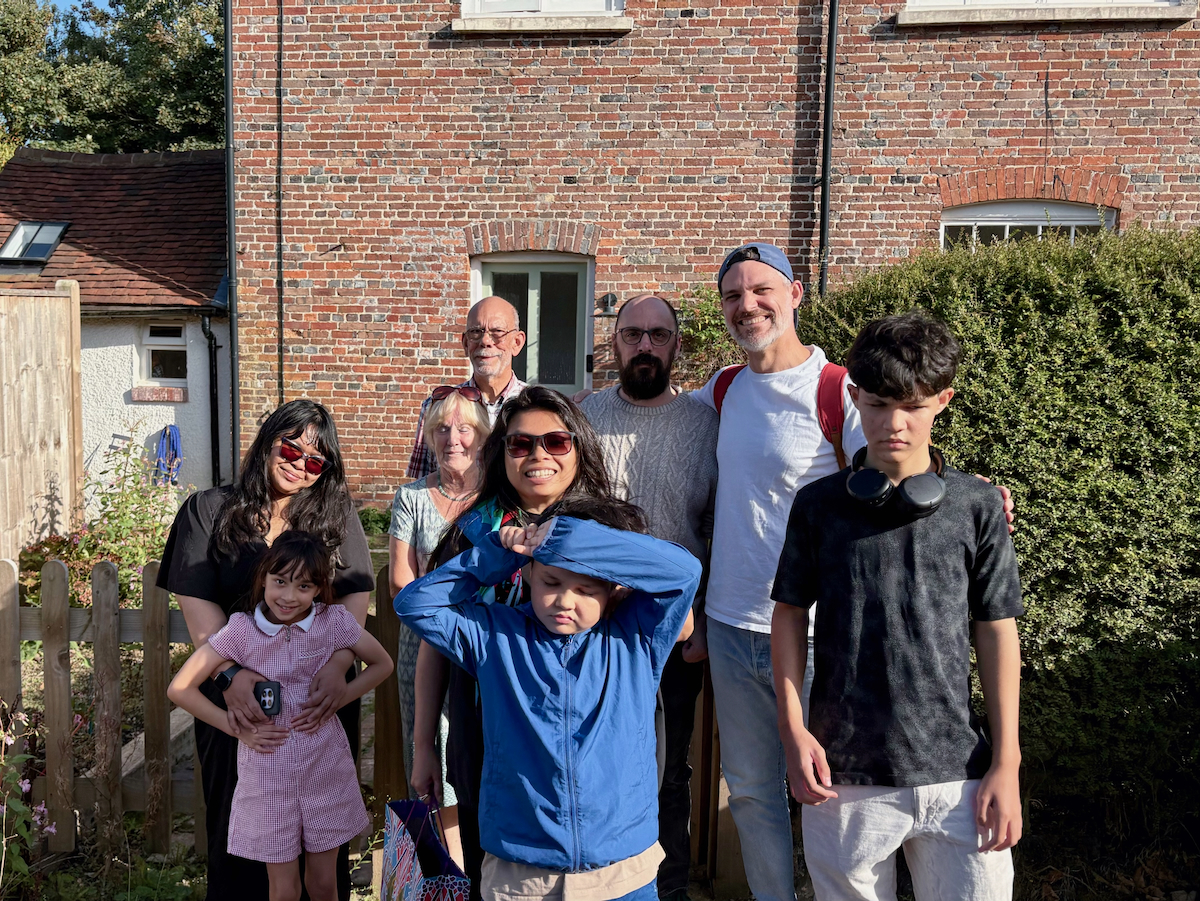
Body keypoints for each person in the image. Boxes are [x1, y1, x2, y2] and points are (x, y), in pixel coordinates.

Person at [694, 242, 1014, 901]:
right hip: (733, 622)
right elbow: (658, 416)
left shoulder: (837, 386)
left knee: (828, 791)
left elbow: (901, 466)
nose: (747, 304)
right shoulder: (722, 389)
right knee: (752, 791)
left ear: (795, 294)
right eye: (733, 294)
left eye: (762, 289)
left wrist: (972, 494)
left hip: (824, 634)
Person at [771, 312, 1023, 900]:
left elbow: (997, 629)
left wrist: (1007, 763)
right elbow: (788, 614)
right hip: (843, 775)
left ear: (943, 401)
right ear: (854, 397)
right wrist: (792, 729)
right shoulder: (817, 506)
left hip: (960, 773)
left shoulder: (977, 505)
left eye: (913, 406)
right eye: (879, 404)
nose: (894, 424)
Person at [395, 501, 703, 901]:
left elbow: (684, 571)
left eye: (585, 589)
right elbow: (415, 604)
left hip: (623, 874)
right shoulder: (493, 635)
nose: (564, 601)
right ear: (528, 574)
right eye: (551, 582)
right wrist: (498, 553)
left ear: (613, 590)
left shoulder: (637, 637)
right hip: (520, 877)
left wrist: (568, 540)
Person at [409, 386, 625, 898]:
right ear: (500, 453)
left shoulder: (608, 529)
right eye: (520, 443)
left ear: (579, 447)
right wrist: (423, 748)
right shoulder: (472, 532)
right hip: (485, 733)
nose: (537, 455)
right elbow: (433, 640)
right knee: (489, 869)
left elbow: (673, 625)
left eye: (556, 441)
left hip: (586, 735)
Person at [158, 399, 376, 901]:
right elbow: (201, 614)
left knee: (321, 854)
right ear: (267, 442)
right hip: (238, 704)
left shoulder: (335, 514)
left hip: (318, 704)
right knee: (243, 843)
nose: (300, 465)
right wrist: (231, 677)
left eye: (315, 460)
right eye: (291, 449)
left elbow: (353, 599)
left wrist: (340, 665)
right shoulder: (208, 510)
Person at [579, 294, 718, 901]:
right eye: (632, 334)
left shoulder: (704, 424)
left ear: (676, 345)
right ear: (613, 343)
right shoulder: (584, 419)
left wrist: (704, 618)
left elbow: (718, 526)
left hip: (673, 631)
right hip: (594, 627)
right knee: (593, 761)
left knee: (669, 772)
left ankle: (670, 889)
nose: (645, 346)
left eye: (658, 335)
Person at [168, 532, 394, 901]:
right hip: (267, 778)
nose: (289, 596)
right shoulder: (241, 630)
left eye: (303, 586)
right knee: (283, 889)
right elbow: (180, 688)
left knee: (323, 884)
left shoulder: (334, 622)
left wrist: (340, 698)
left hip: (326, 770)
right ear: (264, 579)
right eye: (280, 581)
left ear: (319, 589)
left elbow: (383, 664)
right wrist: (234, 728)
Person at [388, 385, 491, 866]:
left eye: (465, 428)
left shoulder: (497, 497)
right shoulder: (411, 496)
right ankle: (452, 869)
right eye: (443, 429)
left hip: (480, 642)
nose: (454, 438)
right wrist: (441, 617)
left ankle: (479, 860)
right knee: (429, 752)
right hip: (423, 640)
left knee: (477, 748)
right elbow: (400, 579)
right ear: (429, 437)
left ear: (482, 436)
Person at [406, 296, 527, 479]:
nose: (485, 340)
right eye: (476, 332)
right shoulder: (437, 406)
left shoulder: (536, 406)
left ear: (516, 342)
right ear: (465, 343)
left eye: (497, 332)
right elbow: (422, 485)